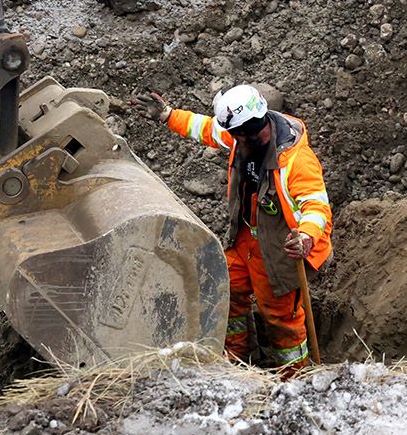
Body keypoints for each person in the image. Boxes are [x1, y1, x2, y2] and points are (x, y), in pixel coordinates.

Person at [134, 84, 333, 371]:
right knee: (226, 291)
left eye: (235, 135)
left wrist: (305, 236)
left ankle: (294, 377)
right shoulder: (242, 136)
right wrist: (167, 115)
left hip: (281, 251)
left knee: (279, 320)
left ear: (251, 129)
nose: (230, 139)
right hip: (245, 242)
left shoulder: (296, 160)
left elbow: (316, 205)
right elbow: (204, 128)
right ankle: (236, 360)